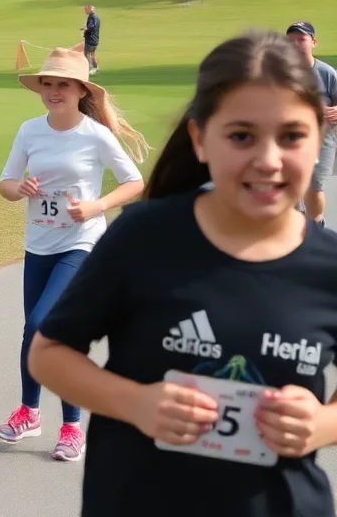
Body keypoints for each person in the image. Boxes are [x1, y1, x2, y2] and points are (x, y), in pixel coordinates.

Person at [28, 31, 337, 516]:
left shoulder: (329, 267)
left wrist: (323, 423)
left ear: (319, 140)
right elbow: (48, 356)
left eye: (292, 136)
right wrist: (138, 404)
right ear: (199, 138)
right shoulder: (143, 237)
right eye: (241, 136)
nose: (268, 159)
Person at [0, 48, 148, 461]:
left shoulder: (95, 135)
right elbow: (5, 183)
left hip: (80, 245)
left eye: (63, 83)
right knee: (34, 330)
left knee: (48, 326)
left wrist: (96, 206)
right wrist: (20, 188)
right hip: (37, 246)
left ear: (81, 89)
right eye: (48, 83)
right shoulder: (30, 131)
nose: (54, 91)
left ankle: (72, 427)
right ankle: (30, 413)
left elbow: (133, 182)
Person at [286, 21, 337, 225]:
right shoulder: (279, 75)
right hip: (288, 140)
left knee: (314, 187)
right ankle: (292, 229)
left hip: (321, 138)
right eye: (291, 41)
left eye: (301, 39)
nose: (296, 44)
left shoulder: (327, 73)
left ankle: (315, 227)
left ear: (313, 42)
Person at [82, 5, 100, 74]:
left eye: (86, 9)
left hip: (91, 38)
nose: (85, 11)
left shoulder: (92, 17)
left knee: (87, 54)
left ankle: (91, 68)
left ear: (90, 9)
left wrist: (86, 28)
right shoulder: (95, 16)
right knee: (92, 54)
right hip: (95, 38)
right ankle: (95, 67)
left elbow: (92, 25)